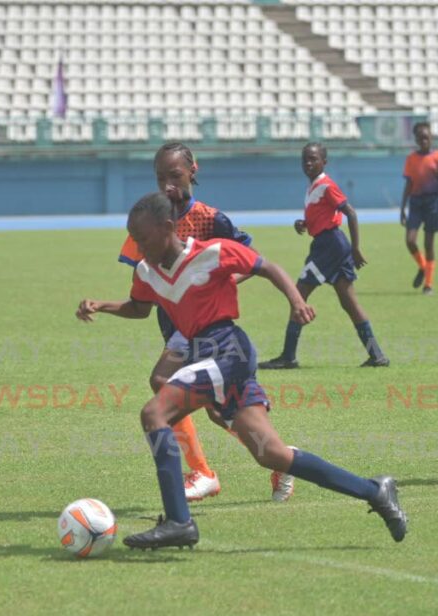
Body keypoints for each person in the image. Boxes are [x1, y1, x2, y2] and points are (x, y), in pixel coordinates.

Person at [77, 192, 407, 549]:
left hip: (227, 351)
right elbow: (140, 307)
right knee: (272, 454)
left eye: (142, 239)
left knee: (154, 412)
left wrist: (297, 301)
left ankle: (178, 521)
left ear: (168, 228)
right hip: (207, 356)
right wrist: (102, 305)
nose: (138, 248)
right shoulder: (147, 271)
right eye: (134, 240)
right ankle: (375, 490)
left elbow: (267, 267)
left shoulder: (213, 252)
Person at [118, 143, 296, 503]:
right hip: (175, 326)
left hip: (205, 330)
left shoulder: (212, 219)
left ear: (193, 171)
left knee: (167, 386)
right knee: (215, 410)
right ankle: (277, 456)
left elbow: (244, 261)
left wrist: (217, 284)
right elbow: (142, 285)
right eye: (160, 178)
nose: (167, 185)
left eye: (175, 176)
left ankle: (208, 471)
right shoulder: (150, 220)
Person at [259, 142, 390, 370]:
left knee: (298, 296)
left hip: (329, 247)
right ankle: (377, 355)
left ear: (324, 162)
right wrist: (304, 223)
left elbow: (350, 212)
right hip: (330, 244)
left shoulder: (327, 185)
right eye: (305, 160)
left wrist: (356, 248)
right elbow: (322, 216)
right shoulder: (313, 188)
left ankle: (288, 356)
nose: (308, 163)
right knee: (349, 303)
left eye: (313, 159)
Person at [400, 122, 438, 295]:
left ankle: (428, 284)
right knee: (410, 240)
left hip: (432, 204)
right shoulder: (411, 159)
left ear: (431, 138)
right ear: (416, 139)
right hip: (415, 203)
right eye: (420, 138)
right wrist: (402, 209)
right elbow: (408, 184)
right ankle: (423, 266)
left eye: (426, 137)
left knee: (429, 245)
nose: (424, 141)